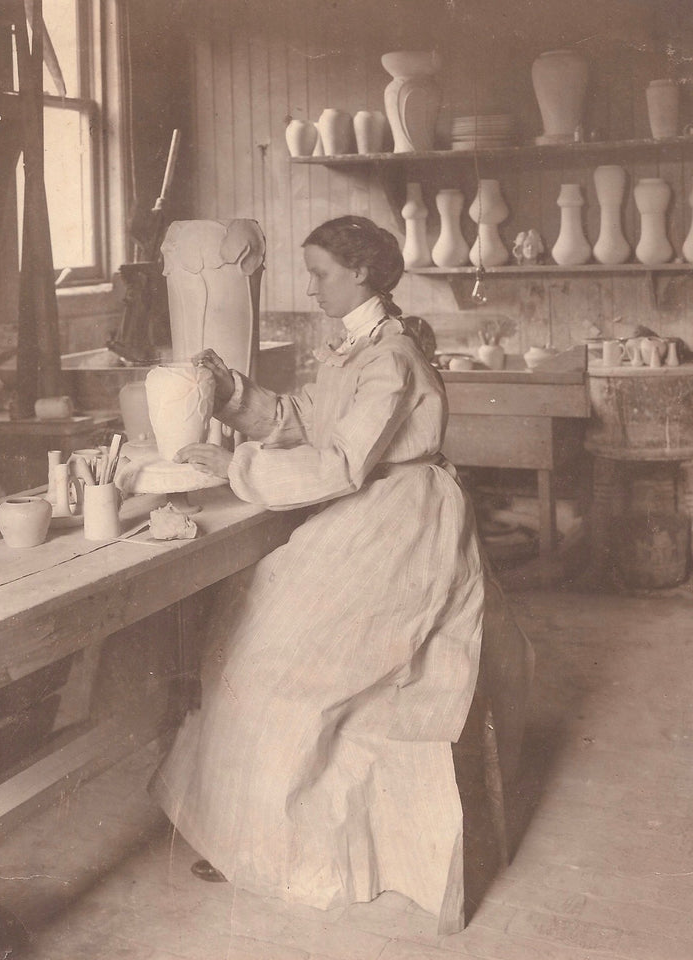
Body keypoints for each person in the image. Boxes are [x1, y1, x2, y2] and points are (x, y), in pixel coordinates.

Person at [149, 214, 485, 932]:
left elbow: (340, 464)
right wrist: (232, 389)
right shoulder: (357, 348)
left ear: (361, 273)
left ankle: (277, 847)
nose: (311, 287)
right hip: (367, 514)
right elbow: (306, 417)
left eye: (321, 273)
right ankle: (245, 834)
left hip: (402, 527)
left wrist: (234, 467)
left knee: (273, 662)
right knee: (243, 627)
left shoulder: (389, 357)